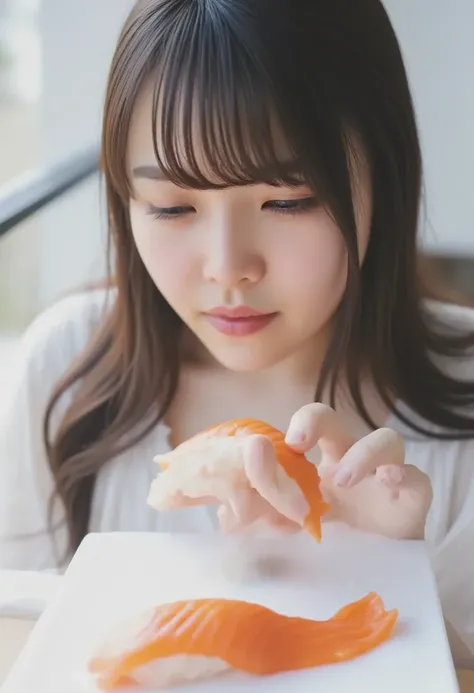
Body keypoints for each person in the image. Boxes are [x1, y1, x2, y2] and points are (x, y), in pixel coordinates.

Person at [0, 0, 473, 667]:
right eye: (171, 207)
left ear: (385, 178)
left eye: (287, 200)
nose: (228, 267)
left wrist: (393, 568)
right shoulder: (66, 370)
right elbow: (23, 649)